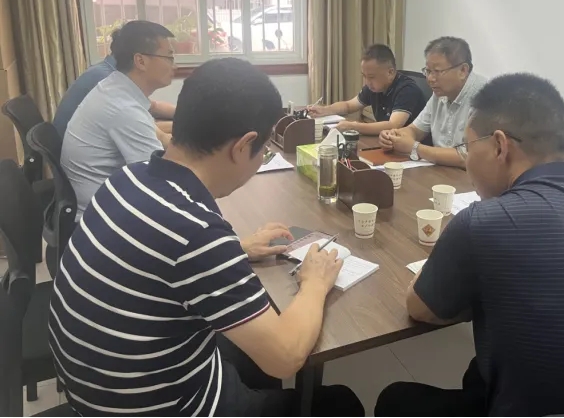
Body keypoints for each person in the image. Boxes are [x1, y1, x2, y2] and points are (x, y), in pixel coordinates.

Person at [49, 58, 364, 417]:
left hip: (95, 393)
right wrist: (315, 284)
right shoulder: (196, 232)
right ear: (243, 146)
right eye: (262, 152)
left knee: (246, 349)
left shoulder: (127, 178)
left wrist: (237, 249)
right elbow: (286, 358)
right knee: (340, 403)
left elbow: (156, 261)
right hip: (159, 409)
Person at [375, 73, 564, 416]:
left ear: (499, 146)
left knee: (395, 400)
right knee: (479, 373)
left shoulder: (482, 222)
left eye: (467, 148)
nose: (466, 161)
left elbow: (419, 308)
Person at [61, 20, 177, 221]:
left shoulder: (114, 87)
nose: (174, 65)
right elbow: (155, 182)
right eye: (169, 57)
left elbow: (157, 136)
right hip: (102, 218)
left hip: (102, 200)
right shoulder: (123, 108)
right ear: (140, 61)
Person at [378, 37, 487, 167]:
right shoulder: (440, 93)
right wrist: (394, 136)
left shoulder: (484, 97)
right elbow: (414, 130)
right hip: (440, 171)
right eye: (428, 71)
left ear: (463, 70)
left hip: (469, 176)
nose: (430, 79)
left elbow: (469, 157)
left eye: (437, 71)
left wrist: (415, 148)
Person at [307, 44, 426, 135]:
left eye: (371, 77)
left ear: (390, 72)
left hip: (413, 151)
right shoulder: (374, 87)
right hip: (388, 142)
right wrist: (325, 110)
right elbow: (348, 106)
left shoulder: (407, 90)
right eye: (364, 76)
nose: (366, 82)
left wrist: (354, 126)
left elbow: (393, 125)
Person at [53, 53, 176, 140]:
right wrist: (182, 125)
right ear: (139, 59)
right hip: (82, 153)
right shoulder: (107, 79)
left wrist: (184, 115)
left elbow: (152, 106)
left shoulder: (107, 70)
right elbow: (140, 128)